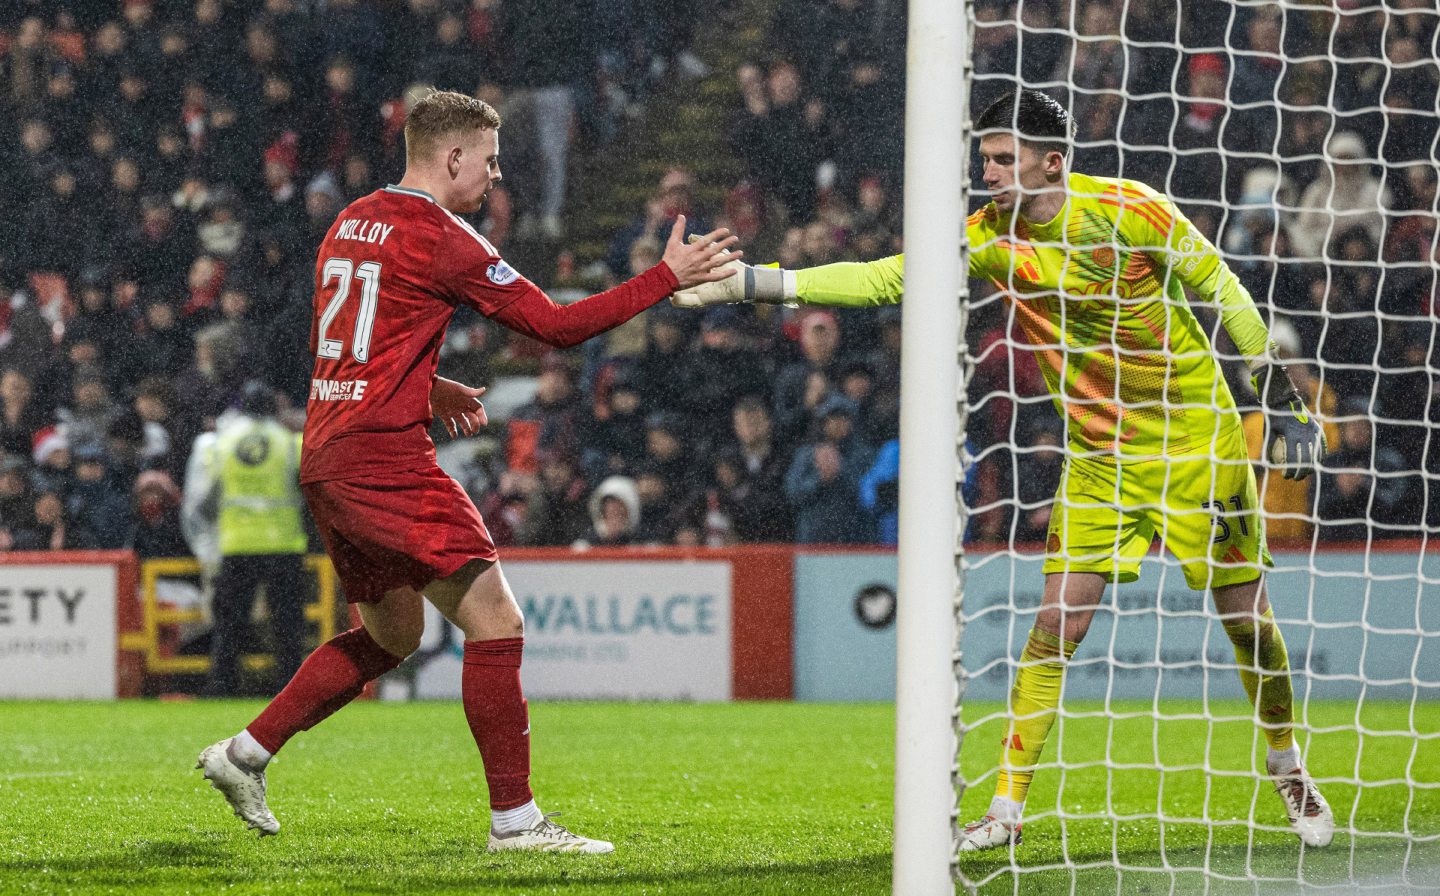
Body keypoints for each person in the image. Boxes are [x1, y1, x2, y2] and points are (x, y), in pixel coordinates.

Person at [673, 89, 1335, 851]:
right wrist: (755, 282)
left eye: (1001, 158)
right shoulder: (987, 238)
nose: (985, 172)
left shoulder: (1132, 211)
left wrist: (1278, 398)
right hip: (1099, 459)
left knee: (1248, 626)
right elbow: (887, 277)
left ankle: (1286, 761)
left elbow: (1222, 287)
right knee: (1056, 625)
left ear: (1051, 162)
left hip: (1197, 447)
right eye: (982, 157)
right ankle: (1006, 811)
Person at [196, 89, 738, 853]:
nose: (495, 174)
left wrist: (428, 382)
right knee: (497, 620)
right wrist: (663, 278)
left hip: (328, 454)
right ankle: (516, 823)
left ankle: (242, 755)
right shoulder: (443, 235)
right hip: (385, 457)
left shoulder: (350, 220)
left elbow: (351, 343)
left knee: (391, 634)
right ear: (452, 157)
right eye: (488, 159)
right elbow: (553, 328)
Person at [185, 382, 309, 698]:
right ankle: (291, 691)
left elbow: (204, 501)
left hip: (237, 545)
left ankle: (223, 686)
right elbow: (310, 491)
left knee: (230, 625)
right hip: (284, 545)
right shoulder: (291, 443)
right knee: (287, 627)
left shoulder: (222, 444)